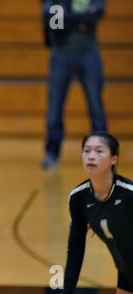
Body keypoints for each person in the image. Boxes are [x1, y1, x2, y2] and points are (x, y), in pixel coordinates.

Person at [62, 132, 133, 294]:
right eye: (86, 151)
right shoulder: (78, 198)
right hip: (126, 274)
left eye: (99, 151)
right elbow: (75, 250)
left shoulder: (129, 194)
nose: (91, 156)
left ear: (113, 159)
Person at [41, 0, 107, 169]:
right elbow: (51, 18)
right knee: (54, 109)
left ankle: (102, 152)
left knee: (96, 108)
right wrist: (80, 19)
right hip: (60, 55)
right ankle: (52, 152)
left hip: (89, 55)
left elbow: (97, 13)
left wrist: (66, 15)